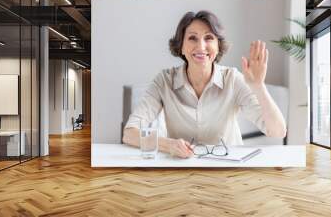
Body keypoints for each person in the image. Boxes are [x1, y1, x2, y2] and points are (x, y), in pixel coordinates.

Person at [122, 10, 286, 158]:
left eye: (209, 38)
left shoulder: (233, 79)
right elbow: (129, 134)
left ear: (218, 46)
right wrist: (168, 145)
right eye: (192, 38)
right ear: (181, 47)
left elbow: (277, 132)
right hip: (181, 168)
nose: (201, 46)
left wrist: (258, 86)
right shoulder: (164, 81)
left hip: (227, 170)